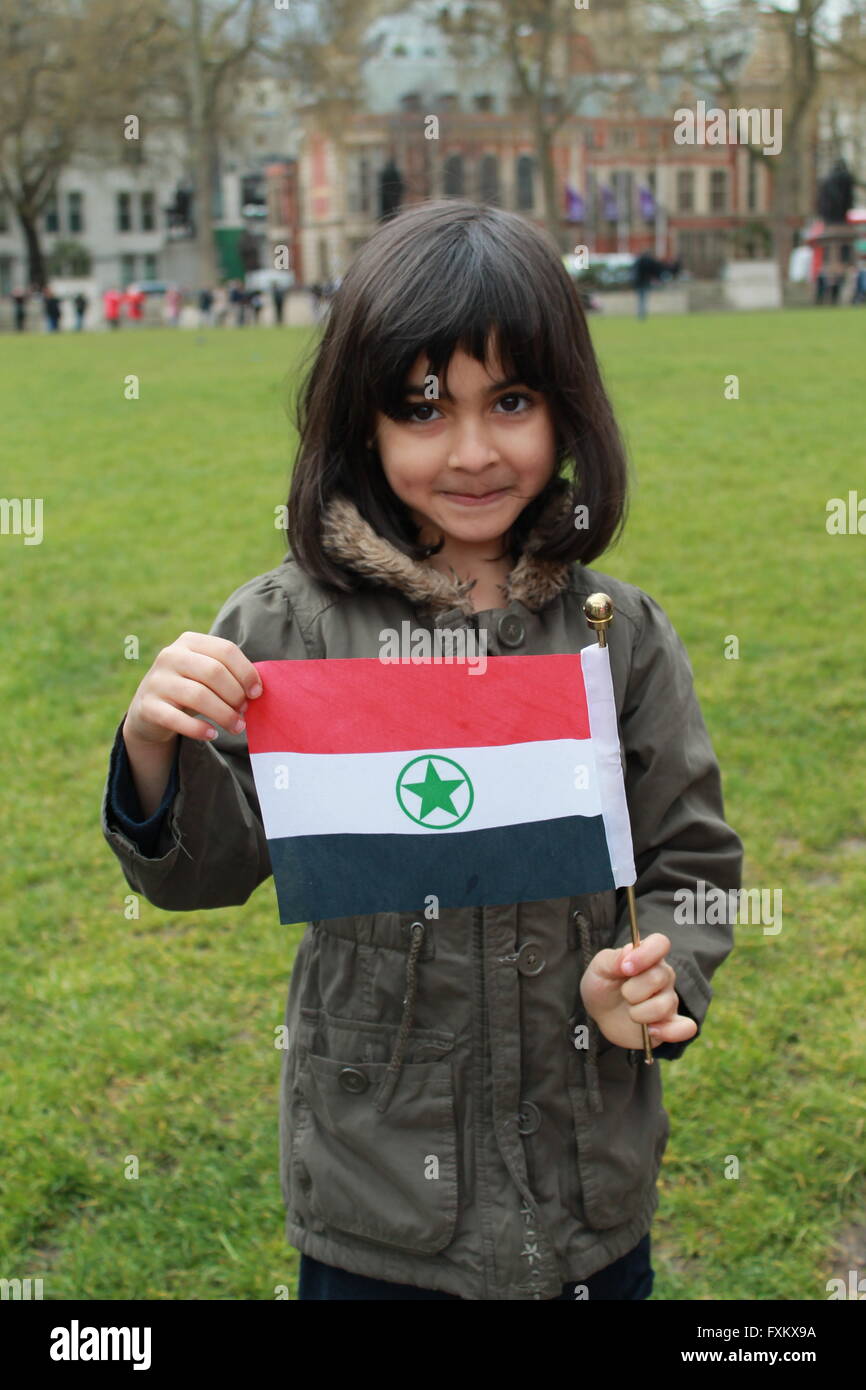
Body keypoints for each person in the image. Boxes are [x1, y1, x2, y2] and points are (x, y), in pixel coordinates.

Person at [100, 199, 742, 1302]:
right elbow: (208, 873)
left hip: (584, 1189)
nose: (474, 450)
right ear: (361, 420)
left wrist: (654, 977)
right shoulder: (281, 632)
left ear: (568, 409)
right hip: (376, 1201)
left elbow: (689, 864)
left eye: (513, 401)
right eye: (423, 409)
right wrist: (152, 746)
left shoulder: (615, 633)